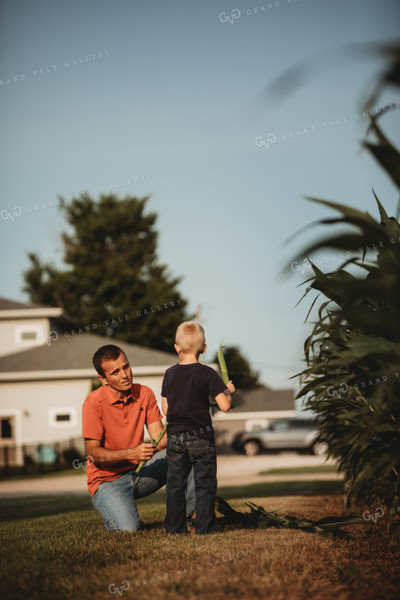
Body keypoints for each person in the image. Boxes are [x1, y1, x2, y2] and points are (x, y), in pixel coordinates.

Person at [82, 344, 195, 532]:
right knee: (129, 529)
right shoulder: (93, 403)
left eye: (125, 367)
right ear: (103, 379)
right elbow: (93, 453)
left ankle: (182, 520)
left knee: (187, 451)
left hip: (140, 474)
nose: (125, 375)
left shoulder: (144, 393)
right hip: (107, 482)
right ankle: (114, 512)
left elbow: (161, 441)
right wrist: (131, 453)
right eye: (116, 372)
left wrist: (181, 415)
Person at [161, 321, 235, 535]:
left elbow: (166, 409)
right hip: (201, 437)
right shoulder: (208, 373)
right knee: (204, 484)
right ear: (204, 348)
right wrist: (227, 390)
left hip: (175, 438)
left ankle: (174, 530)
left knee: (175, 485)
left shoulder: (169, 374)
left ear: (177, 348)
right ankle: (205, 528)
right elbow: (225, 405)